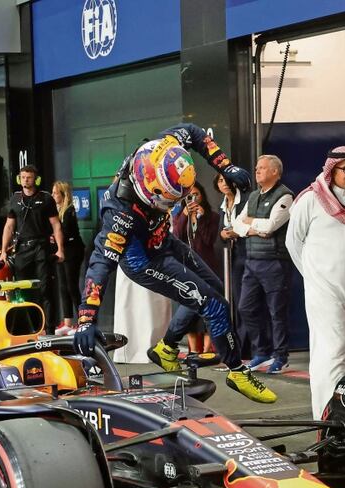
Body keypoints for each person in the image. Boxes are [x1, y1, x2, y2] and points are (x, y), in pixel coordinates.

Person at [74, 123, 276, 403]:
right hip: (143, 260)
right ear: (150, 189)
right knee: (214, 306)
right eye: (169, 198)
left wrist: (225, 166)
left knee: (215, 288)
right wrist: (86, 317)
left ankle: (166, 348)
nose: (176, 202)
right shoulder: (119, 213)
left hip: (163, 241)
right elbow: (100, 264)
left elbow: (193, 132)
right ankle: (237, 371)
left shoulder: (162, 148)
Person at [287, 147, 345, 418]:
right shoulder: (309, 200)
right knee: (332, 352)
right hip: (324, 290)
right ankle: (326, 420)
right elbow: (293, 242)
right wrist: (315, 278)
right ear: (331, 169)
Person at [232, 155, 294, 374]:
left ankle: (281, 356)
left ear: (275, 172)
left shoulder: (285, 195)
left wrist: (251, 225)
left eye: (262, 168)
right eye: (257, 168)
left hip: (275, 263)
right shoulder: (254, 196)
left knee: (277, 312)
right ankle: (262, 352)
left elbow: (270, 227)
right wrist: (253, 228)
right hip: (252, 262)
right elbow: (236, 223)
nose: (257, 171)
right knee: (245, 307)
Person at [0, 165, 65, 330]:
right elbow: (8, 226)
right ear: (18, 179)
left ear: (36, 179)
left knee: (45, 289)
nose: (25, 180)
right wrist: (3, 252)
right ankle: (28, 328)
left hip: (41, 248)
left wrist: (60, 249)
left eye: (29, 177)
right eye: (22, 177)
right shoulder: (14, 199)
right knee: (22, 290)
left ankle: (49, 329)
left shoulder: (46, 198)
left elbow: (56, 225)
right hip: (22, 250)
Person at [171, 181, 221, 353]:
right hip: (186, 267)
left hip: (207, 267)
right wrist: (185, 215)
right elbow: (176, 235)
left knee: (207, 306)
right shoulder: (179, 215)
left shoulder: (212, 216)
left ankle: (207, 350)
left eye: (196, 195)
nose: (193, 199)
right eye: (189, 196)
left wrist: (200, 219)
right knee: (189, 307)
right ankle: (193, 350)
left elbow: (209, 239)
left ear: (202, 196)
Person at [216, 172, 254, 360]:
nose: (223, 184)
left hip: (248, 254)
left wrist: (236, 232)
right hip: (230, 256)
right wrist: (224, 235)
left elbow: (249, 224)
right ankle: (236, 346)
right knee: (233, 301)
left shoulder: (246, 200)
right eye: (220, 181)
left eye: (226, 180)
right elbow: (219, 232)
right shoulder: (222, 205)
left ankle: (247, 347)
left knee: (245, 303)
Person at [51, 180, 85, 335]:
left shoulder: (69, 210)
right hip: (60, 251)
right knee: (63, 287)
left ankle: (82, 322)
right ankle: (67, 323)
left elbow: (66, 233)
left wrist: (55, 238)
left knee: (72, 286)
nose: (52, 195)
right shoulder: (54, 211)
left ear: (63, 195)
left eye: (55, 193)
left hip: (73, 252)